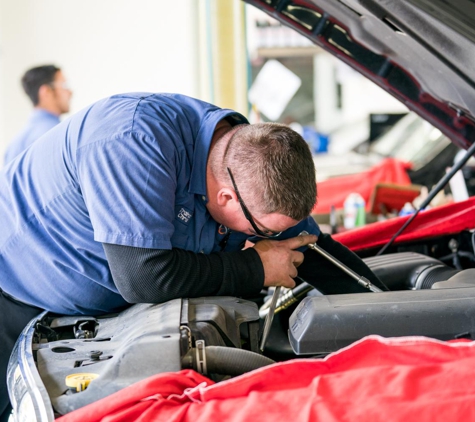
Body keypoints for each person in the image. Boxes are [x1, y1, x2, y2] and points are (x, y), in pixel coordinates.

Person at [0, 93, 384, 420]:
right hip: (14, 297)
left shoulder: (247, 157)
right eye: (261, 232)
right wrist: (255, 267)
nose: (268, 239)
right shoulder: (133, 143)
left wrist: (394, 320)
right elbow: (143, 277)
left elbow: (311, 250)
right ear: (226, 198)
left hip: (88, 323)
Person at [3, 64, 72, 165]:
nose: (70, 92)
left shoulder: (12, 147)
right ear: (47, 91)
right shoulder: (58, 134)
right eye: (64, 85)